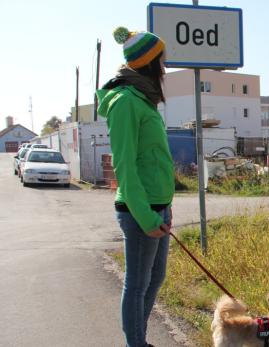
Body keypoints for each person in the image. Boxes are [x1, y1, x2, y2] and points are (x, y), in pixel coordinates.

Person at [96, 26, 175, 347]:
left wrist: (163, 207)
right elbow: (124, 165)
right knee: (137, 284)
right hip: (139, 210)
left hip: (158, 206)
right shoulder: (126, 102)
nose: (165, 67)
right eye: (162, 60)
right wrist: (145, 216)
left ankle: (138, 340)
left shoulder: (144, 99)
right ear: (150, 62)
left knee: (154, 278)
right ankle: (137, 344)